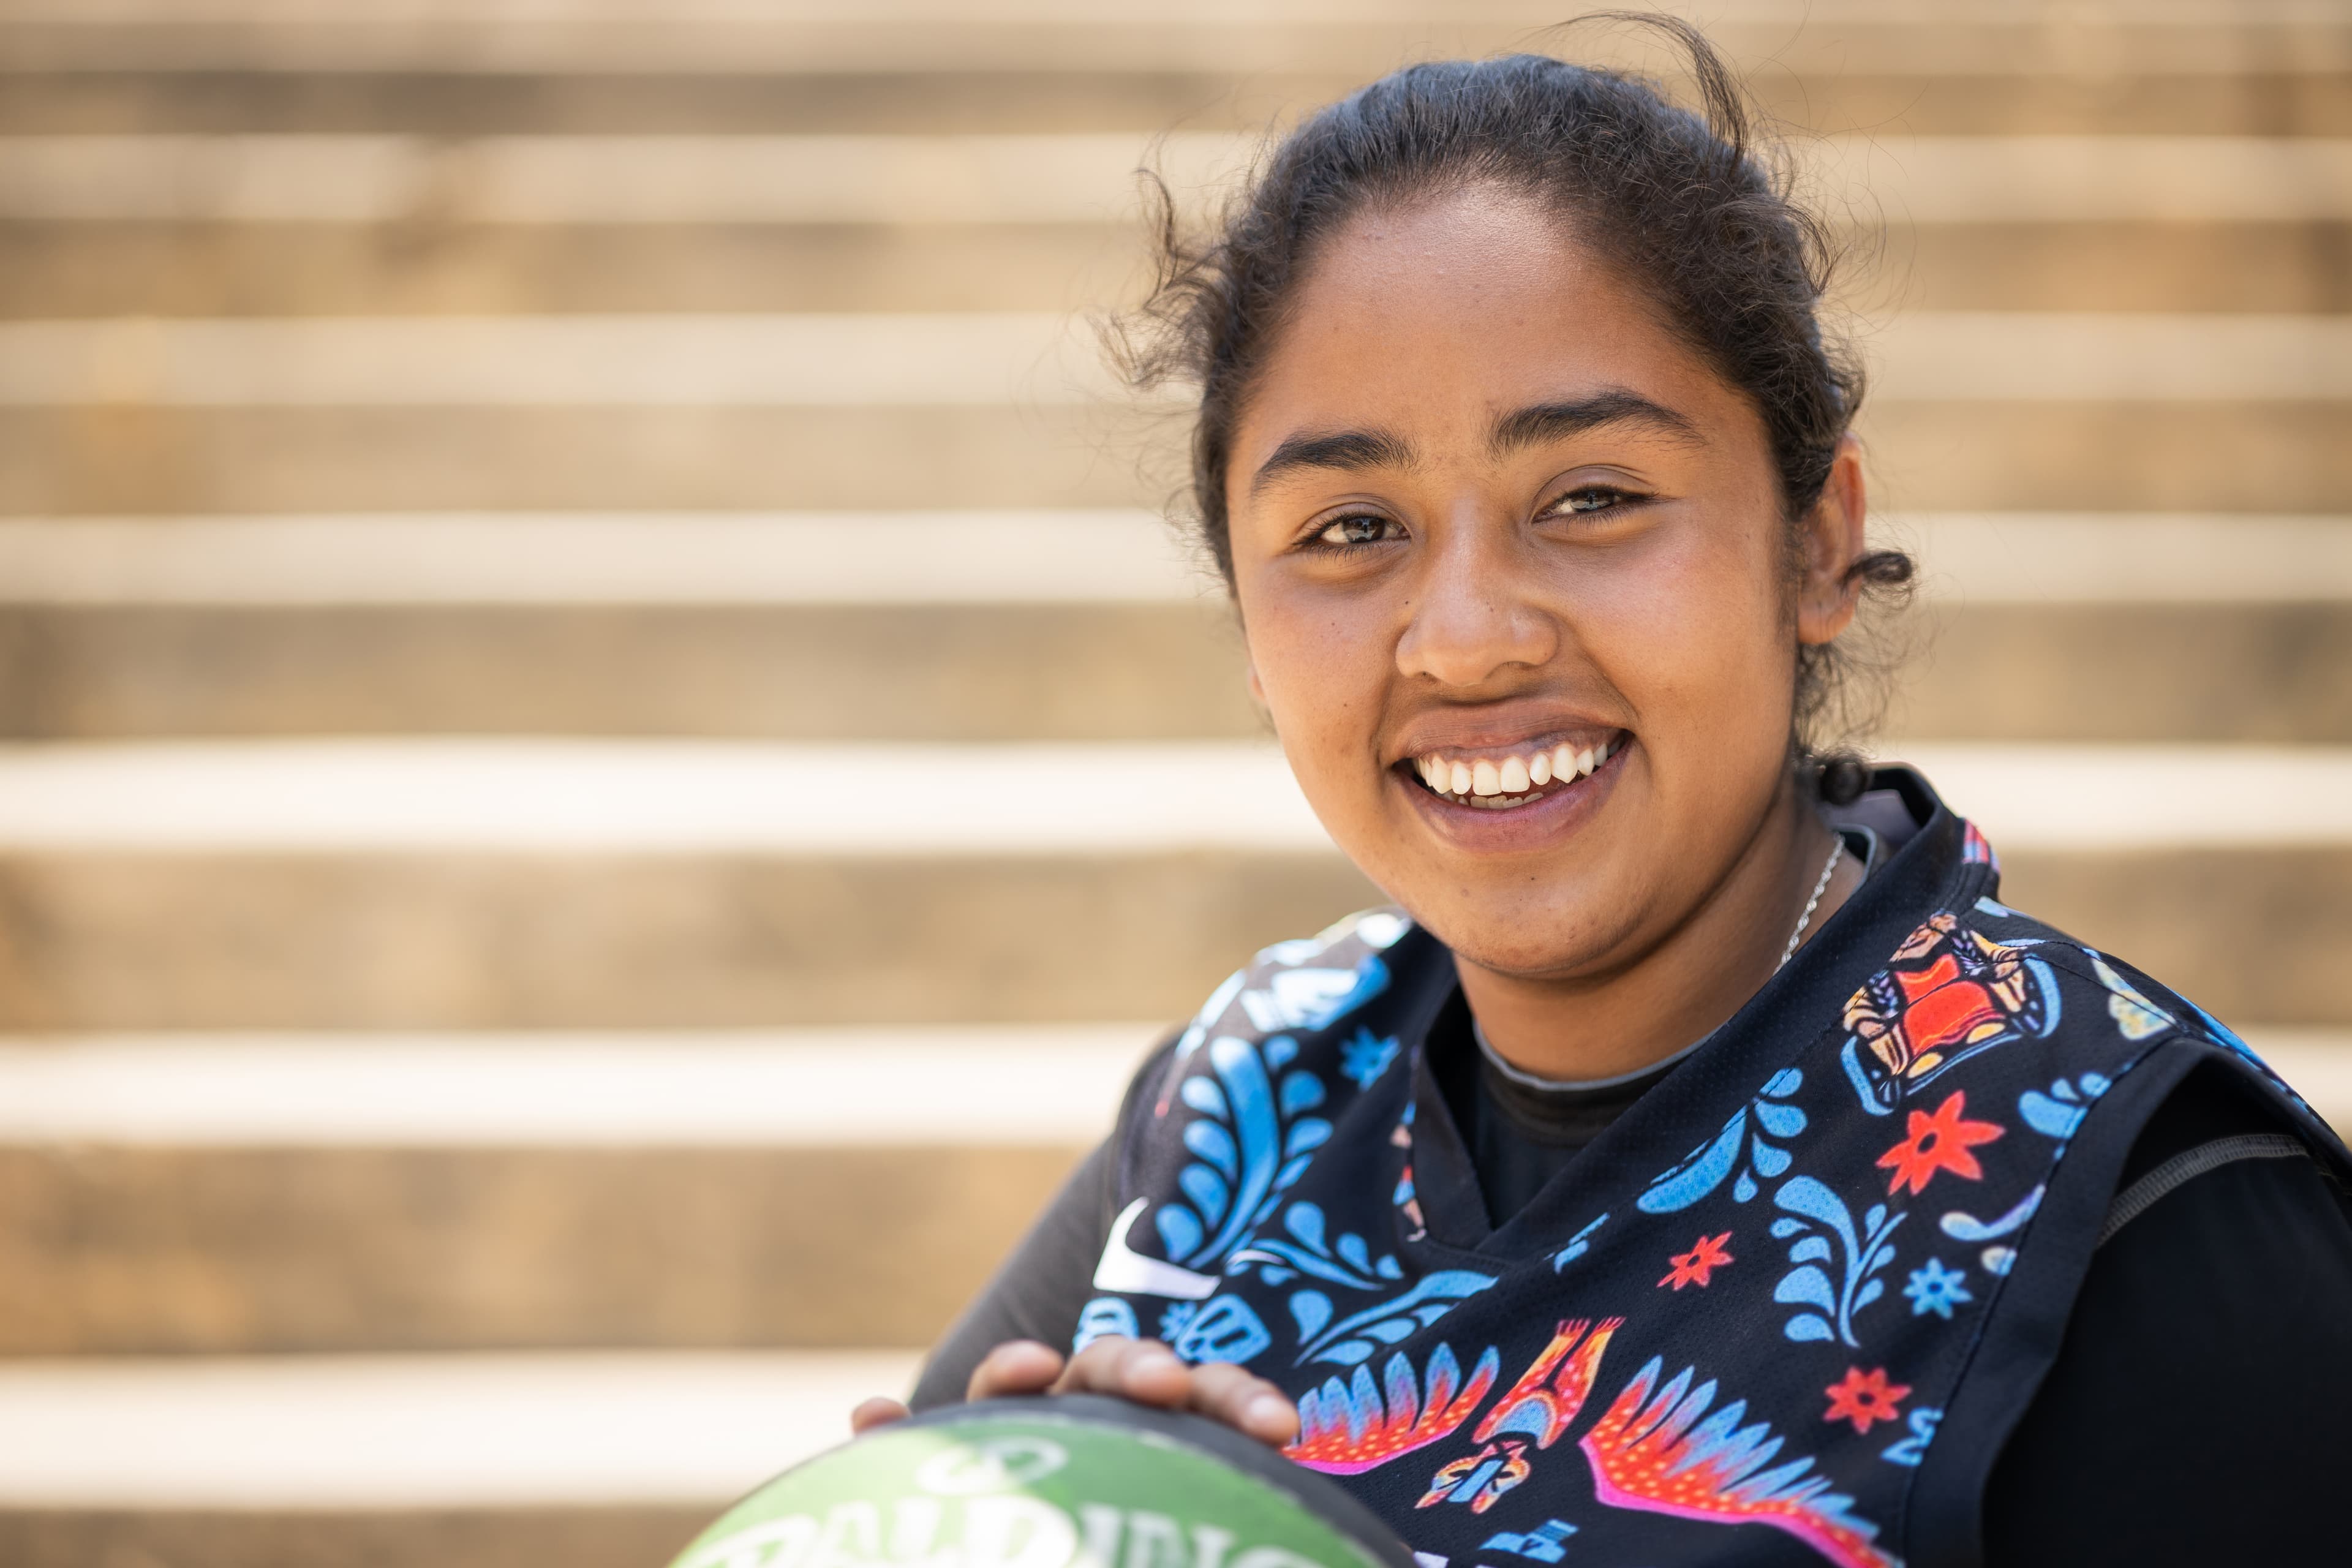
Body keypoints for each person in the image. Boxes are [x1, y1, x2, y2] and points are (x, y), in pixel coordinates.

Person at [853, 22, 2352, 1566]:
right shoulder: (1229, 1114)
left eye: (1592, 499)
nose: (1467, 638)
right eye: (1351, 527)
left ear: (1816, 538)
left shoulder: (2123, 1207)